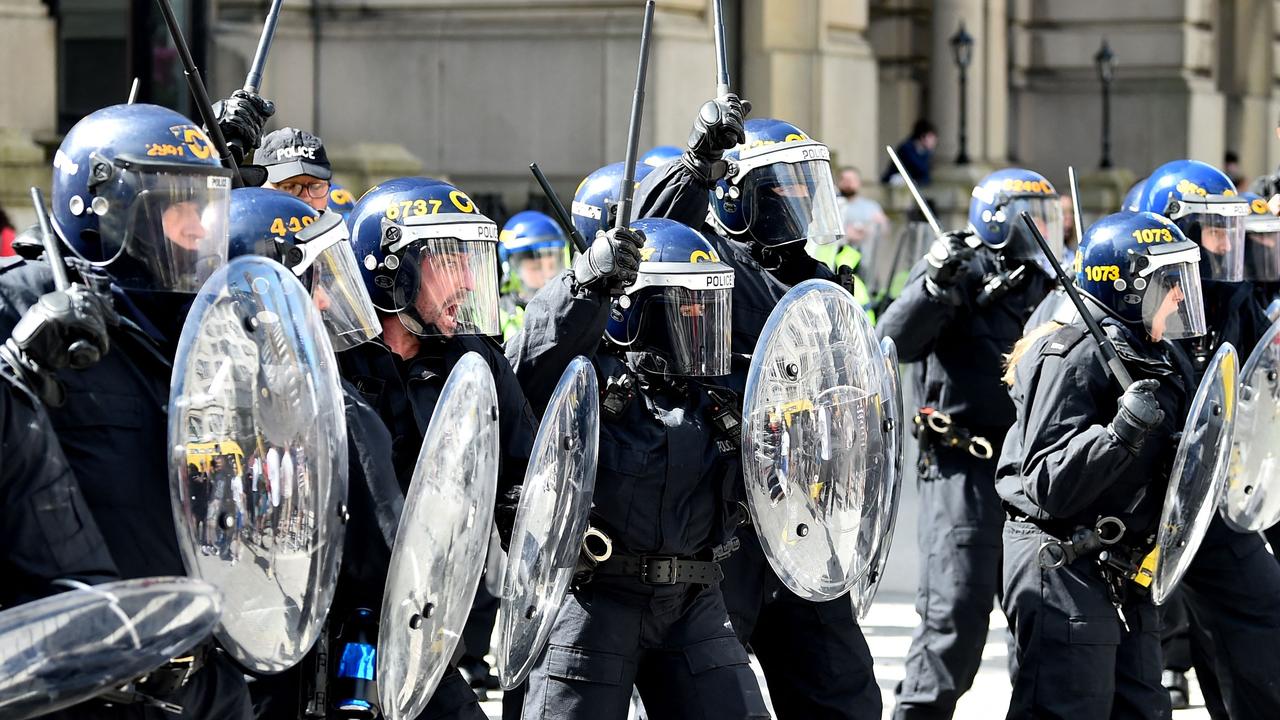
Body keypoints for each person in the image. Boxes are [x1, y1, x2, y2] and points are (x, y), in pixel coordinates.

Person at [0, 102, 253, 718]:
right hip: (76, 685)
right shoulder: (22, 301)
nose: (198, 228)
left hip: (207, 674)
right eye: (176, 207)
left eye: (206, 206)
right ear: (108, 210)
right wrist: (12, 361)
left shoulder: (217, 324)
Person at [634, 104, 882, 720]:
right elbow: (645, 239)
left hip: (805, 518)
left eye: (805, 188)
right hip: (726, 528)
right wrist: (698, 164)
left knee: (844, 692)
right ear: (739, 196)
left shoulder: (818, 279)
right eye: (781, 190)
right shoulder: (707, 264)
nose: (796, 205)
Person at [507, 214, 770, 720]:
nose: (701, 321)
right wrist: (582, 284)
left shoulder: (722, 392)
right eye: (685, 308)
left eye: (708, 307)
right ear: (635, 309)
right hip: (594, 603)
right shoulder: (585, 378)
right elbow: (524, 370)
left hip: (694, 602)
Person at [343, 176, 539, 720]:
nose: (470, 284)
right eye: (450, 262)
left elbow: (521, 476)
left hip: (432, 625)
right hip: (326, 627)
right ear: (392, 270)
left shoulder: (474, 361)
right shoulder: (329, 356)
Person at [998, 210, 1200, 720]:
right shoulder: (1071, 353)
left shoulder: (1160, 354)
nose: (1180, 295)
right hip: (1063, 558)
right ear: (1128, 288)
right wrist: (1118, 436)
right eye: (1167, 282)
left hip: (1124, 566)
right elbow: (1047, 482)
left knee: (1145, 709)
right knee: (1069, 708)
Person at [879, 168, 1062, 720]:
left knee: (1042, 618)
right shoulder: (955, 267)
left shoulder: (1051, 281)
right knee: (954, 615)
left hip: (1029, 474)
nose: (1050, 228)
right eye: (1038, 216)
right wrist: (935, 284)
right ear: (1000, 218)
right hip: (961, 465)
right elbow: (896, 338)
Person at [1132, 159, 1280, 719]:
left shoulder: (1233, 298)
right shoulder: (1132, 295)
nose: (1224, 244)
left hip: (1212, 497)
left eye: (1228, 230)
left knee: (1261, 610)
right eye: (1213, 229)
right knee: (1128, 666)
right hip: (1139, 507)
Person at [496, 210, 568, 340]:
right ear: (511, 268)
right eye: (536, 268)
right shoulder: (497, 319)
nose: (547, 275)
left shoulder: (571, 310)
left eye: (552, 266)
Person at [255, 128, 334, 212]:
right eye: (288, 187)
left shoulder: (342, 223)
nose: (306, 198)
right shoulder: (243, 223)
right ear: (258, 188)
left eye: (316, 187)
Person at [882, 119, 938, 187]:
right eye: (931, 137)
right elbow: (919, 168)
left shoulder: (925, 153)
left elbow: (926, 177)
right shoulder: (906, 148)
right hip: (894, 183)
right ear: (923, 136)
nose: (934, 141)